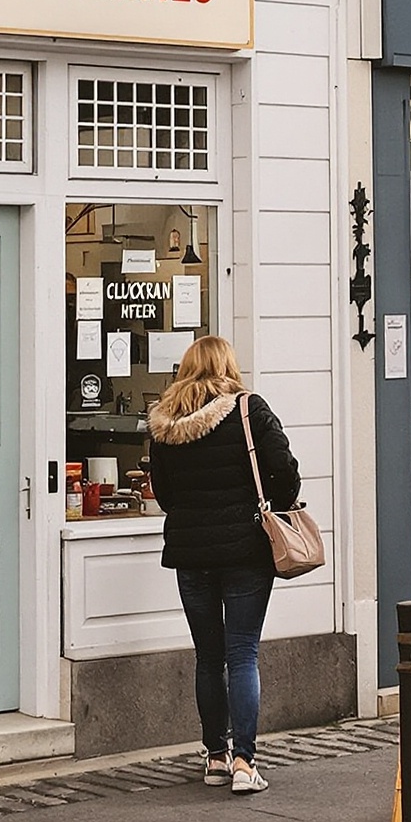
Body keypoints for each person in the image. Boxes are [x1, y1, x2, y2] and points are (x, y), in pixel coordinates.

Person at [146, 335, 299, 795]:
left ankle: (214, 756)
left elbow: (165, 494)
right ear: (228, 365)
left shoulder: (165, 423)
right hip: (245, 550)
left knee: (209, 657)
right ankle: (244, 763)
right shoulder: (248, 409)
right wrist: (268, 503)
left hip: (191, 552)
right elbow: (287, 474)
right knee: (243, 653)